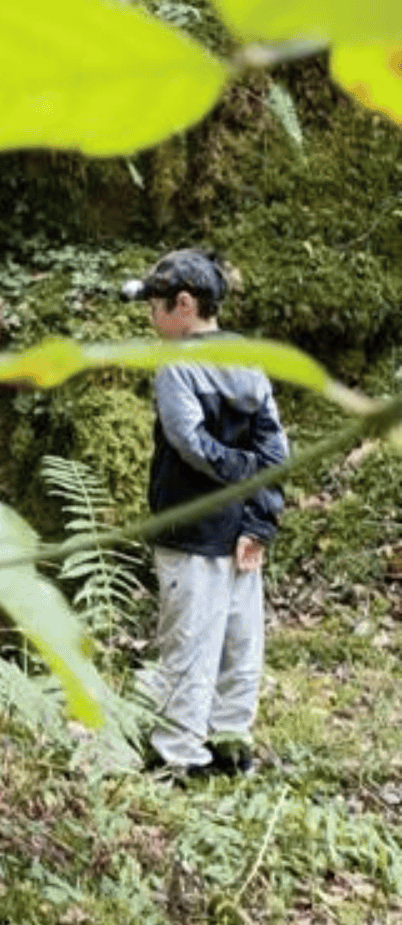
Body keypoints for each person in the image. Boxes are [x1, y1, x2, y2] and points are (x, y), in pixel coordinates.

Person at [127, 248, 288, 778]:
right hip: (240, 528)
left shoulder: (176, 365)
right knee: (240, 644)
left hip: (193, 526)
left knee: (192, 644)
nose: (152, 318)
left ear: (185, 304)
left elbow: (191, 442)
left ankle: (181, 755)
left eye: (156, 306)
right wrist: (260, 517)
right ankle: (229, 743)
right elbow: (274, 448)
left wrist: (251, 500)